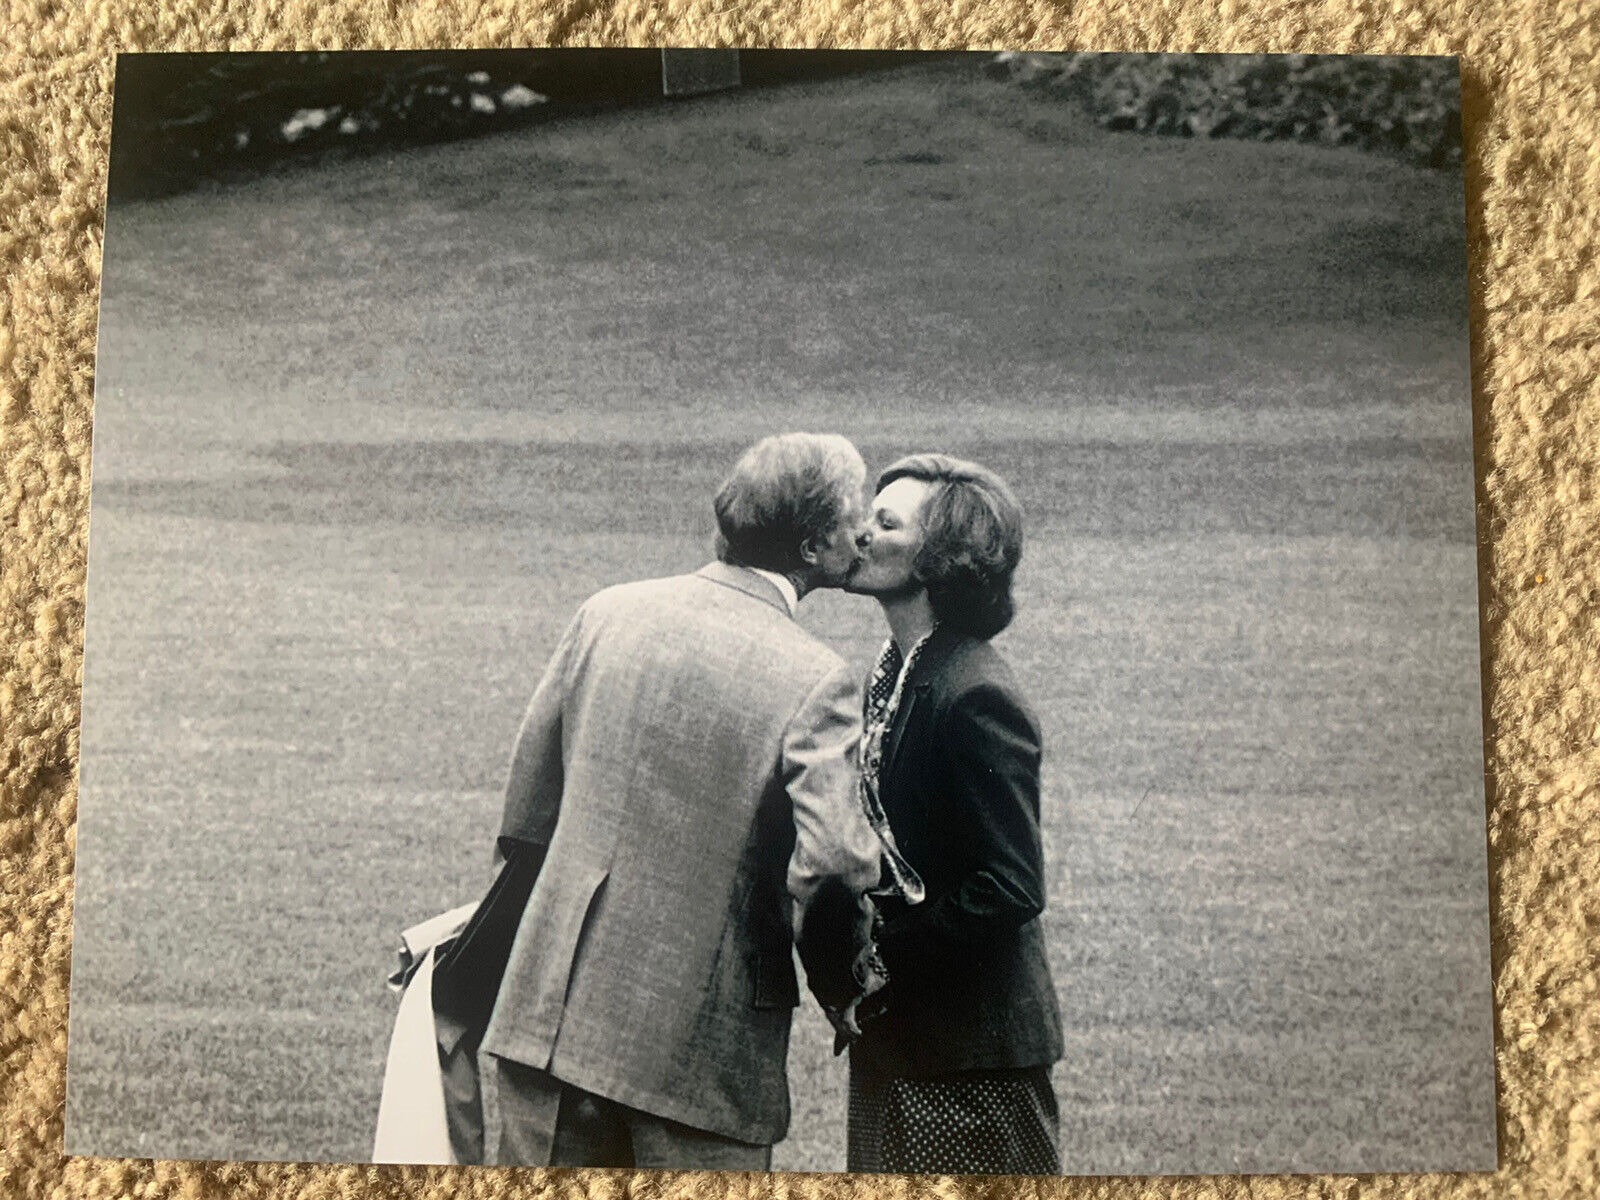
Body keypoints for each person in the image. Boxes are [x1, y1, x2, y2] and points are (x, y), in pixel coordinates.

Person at [429, 432, 886, 1169]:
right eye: (851, 516)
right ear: (809, 546)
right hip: (696, 1057)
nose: (864, 530)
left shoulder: (609, 612)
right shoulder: (817, 679)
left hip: (547, 1021)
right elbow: (832, 865)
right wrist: (846, 987)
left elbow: (528, 817)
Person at [841, 453, 1065, 1175]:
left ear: (940, 557)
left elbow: (1010, 885)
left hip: (970, 1061)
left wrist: (881, 954)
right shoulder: (898, 673)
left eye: (886, 522)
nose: (860, 534)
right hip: (912, 1043)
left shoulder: (974, 695)